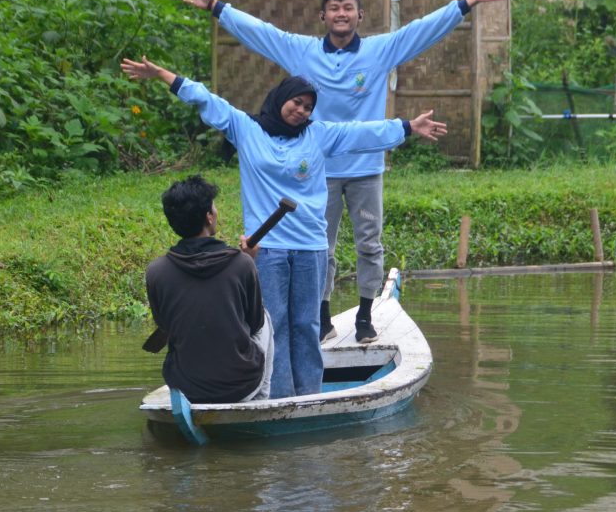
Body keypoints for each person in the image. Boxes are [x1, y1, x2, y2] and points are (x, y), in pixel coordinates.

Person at [180, 0, 513, 343]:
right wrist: (214, 6)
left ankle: (366, 316)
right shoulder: (301, 50)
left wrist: (468, 1)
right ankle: (322, 318)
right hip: (317, 170)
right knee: (322, 244)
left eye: (348, 8)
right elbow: (262, 33)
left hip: (366, 167)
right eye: (334, 8)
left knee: (370, 243)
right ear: (323, 17)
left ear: (360, 16)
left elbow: (421, 32)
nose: (341, 14)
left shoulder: (378, 51)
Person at [122, 56, 446, 398]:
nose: (302, 111)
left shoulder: (318, 135)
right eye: (297, 102)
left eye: (308, 106)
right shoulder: (246, 130)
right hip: (267, 247)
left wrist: (408, 127)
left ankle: (308, 396)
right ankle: (276, 398)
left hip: (310, 246)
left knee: (306, 326)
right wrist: (161, 73)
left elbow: (362, 133)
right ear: (280, 99)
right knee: (272, 326)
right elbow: (205, 99)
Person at [145, 175, 273, 404]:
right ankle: (260, 402)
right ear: (208, 217)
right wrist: (249, 263)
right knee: (266, 318)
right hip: (241, 385)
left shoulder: (156, 271)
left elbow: (165, 325)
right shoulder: (242, 264)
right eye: (214, 207)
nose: (216, 211)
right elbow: (254, 323)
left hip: (184, 386)